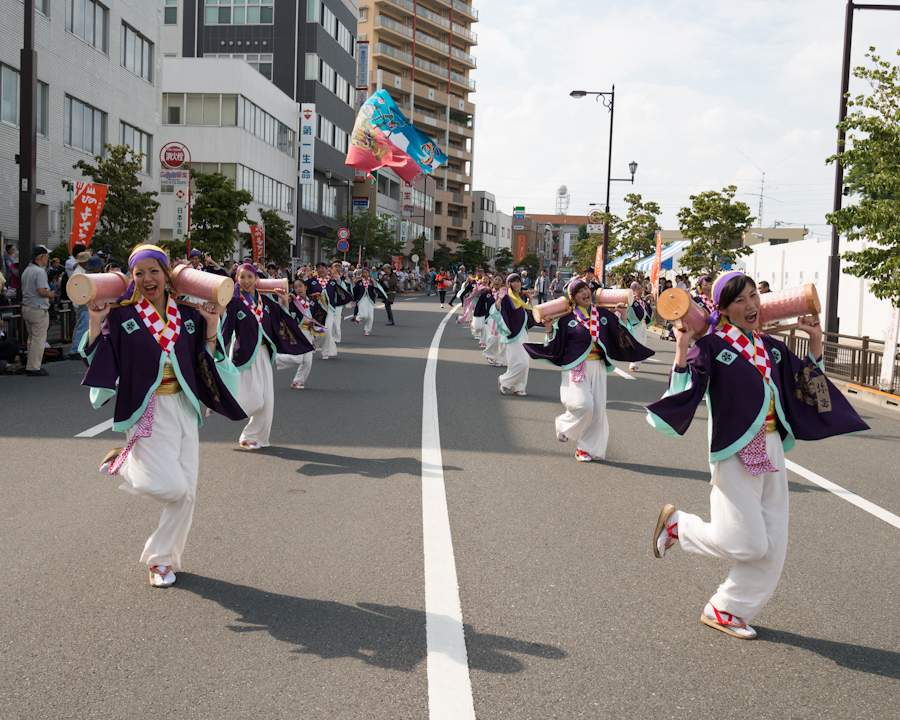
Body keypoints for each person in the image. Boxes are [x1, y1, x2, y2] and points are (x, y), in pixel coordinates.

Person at [647, 272, 868, 639]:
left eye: (753, 296)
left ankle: (727, 609)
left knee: (772, 545)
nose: (750, 305)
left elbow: (808, 389)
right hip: (735, 449)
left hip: (772, 448)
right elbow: (686, 391)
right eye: (740, 301)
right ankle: (679, 527)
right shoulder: (713, 345)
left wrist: (815, 344)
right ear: (724, 308)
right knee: (747, 542)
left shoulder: (772, 348)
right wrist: (683, 348)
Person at [80, 243, 246, 587]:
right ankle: (124, 463)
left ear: (167, 274)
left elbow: (204, 356)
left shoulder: (187, 314)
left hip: (184, 407)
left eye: (154, 271)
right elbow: (101, 357)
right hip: (147, 408)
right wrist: (96, 321)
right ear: (133, 278)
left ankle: (162, 561)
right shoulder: (122, 316)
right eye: (139, 273)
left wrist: (212, 323)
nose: (146, 278)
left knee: (188, 493)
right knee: (172, 488)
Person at [525, 280, 653, 462]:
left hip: (598, 366)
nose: (585, 292)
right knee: (583, 405)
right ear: (573, 298)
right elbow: (555, 345)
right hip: (576, 365)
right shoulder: (567, 318)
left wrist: (623, 315)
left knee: (598, 411)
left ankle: (585, 449)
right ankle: (564, 425)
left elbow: (622, 336)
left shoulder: (602, 314)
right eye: (579, 291)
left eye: (586, 289)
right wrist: (548, 329)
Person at [220, 263, 314, 449]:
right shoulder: (234, 303)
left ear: (257, 279)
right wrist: (217, 353)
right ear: (236, 280)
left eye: (250, 277)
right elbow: (226, 330)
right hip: (244, 355)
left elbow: (282, 322)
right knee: (255, 398)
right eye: (242, 277)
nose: (246, 281)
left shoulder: (267, 303)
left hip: (264, 353)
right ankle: (222, 405)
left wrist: (285, 301)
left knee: (267, 401)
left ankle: (254, 437)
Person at [491, 273, 539, 396]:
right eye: (513, 281)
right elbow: (496, 311)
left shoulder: (519, 297)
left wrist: (530, 300)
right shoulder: (506, 297)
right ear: (509, 284)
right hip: (512, 333)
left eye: (518, 281)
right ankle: (504, 381)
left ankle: (519, 387)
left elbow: (529, 313)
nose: (516, 283)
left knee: (525, 362)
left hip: (522, 332)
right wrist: (500, 299)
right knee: (518, 362)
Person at [275, 278, 324, 389]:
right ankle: (276, 358)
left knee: (308, 361)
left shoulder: (310, 301)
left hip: (308, 332)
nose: (298, 289)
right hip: (298, 332)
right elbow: (288, 315)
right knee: (298, 359)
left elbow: (321, 314)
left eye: (300, 286)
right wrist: (286, 301)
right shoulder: (294, 302)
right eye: (295, 287)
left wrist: (322, 301)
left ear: (306, 287)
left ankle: (298, 381)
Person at [20, 245, 56, 376]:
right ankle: (34, 367)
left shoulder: (27, 270)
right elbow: (42, 291)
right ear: (41, 257)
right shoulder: (40, 272)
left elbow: (24, 290)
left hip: (27, 306)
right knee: (38, 339)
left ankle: (31, 363)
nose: (48, 259)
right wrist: (51, 294)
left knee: (31, 338)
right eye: (47, 257)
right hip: (38, 308)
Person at [625, 282, 654, 371]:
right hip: (636, 325)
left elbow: (648, 309)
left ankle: (636, 365)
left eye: (641, 288)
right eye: (637, 288)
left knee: (642, 344)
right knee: (636, 344)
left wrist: (651, 300)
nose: (640, 290)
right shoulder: (632, 300)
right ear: (633, 290)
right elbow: (628, 308)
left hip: (643, 325)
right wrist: (632, 299)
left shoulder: (642, 301)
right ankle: (632, 365)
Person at [352, 266, 387, 335]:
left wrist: (373, 280)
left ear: (368, 273)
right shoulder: (359, 282)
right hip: (361, 299)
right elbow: (354, 290)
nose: (364, 274)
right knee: (364, 315)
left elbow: (377, 287)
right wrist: (353, 282)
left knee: (370, 316)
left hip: (370, 299)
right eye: (363, 272)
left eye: (366, 272)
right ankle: (358, 319)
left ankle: (367, 330)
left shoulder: (371, 281)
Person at [481, 275, 507, 366]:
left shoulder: (505, 293)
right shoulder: (487, 291)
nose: (497, 281)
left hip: (503, 318)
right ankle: (490, 354)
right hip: (491, 317)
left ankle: (500, 359)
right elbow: (480, 302)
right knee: (494, 337)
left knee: (505, 340)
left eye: (499, 280)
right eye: (495, 279)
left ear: (502, 283)